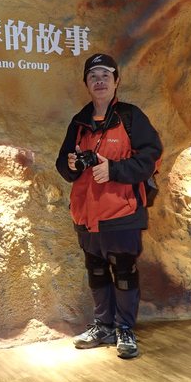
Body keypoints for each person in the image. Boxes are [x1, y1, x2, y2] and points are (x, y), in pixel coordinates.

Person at [55, 53, 162, 359]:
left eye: (105, 75)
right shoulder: (79, 122)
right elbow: (62, 164)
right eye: (93, 76)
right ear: (86, 83)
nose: (99, 81)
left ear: (116, 81)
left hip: (122, 212)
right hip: (86, 214)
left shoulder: (130, 117)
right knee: (97, 270)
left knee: (124, 271)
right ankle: (103, 326)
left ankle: (124, 328)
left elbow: (151, 157)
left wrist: (113, 170)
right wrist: (71, 164)